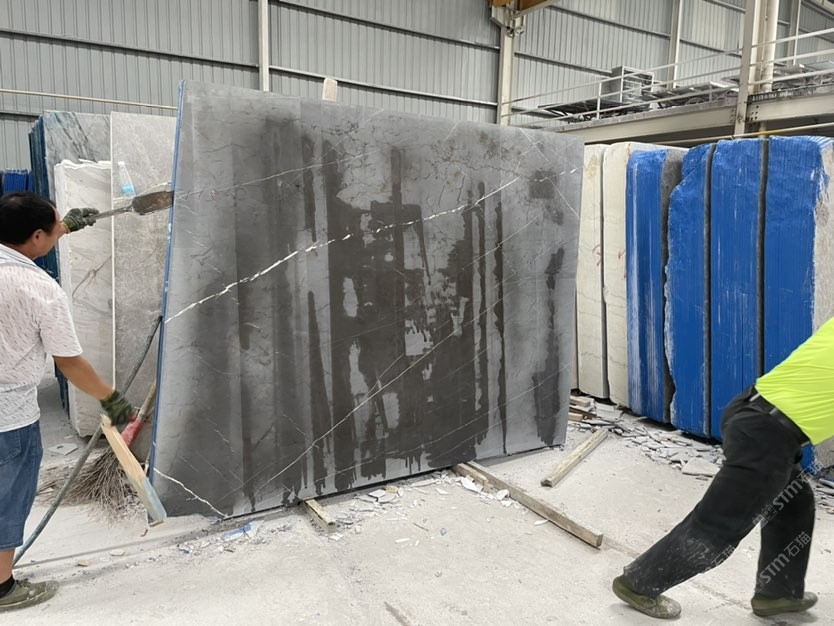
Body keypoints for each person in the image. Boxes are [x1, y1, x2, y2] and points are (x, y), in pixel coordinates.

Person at [612, 316, 834, 619]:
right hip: (767, 435)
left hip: (753, 414)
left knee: (794, 503)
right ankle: (639, 584)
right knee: (719, 526)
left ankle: (779, 594)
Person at [0, 191, 135, 611]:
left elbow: (29, 239)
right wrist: (111, 399)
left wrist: (63, 227)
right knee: (8, 498)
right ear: (36, 237)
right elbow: (69, 363)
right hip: (7, 418)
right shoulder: (40, 289)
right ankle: (2, 588)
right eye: (51, 228)